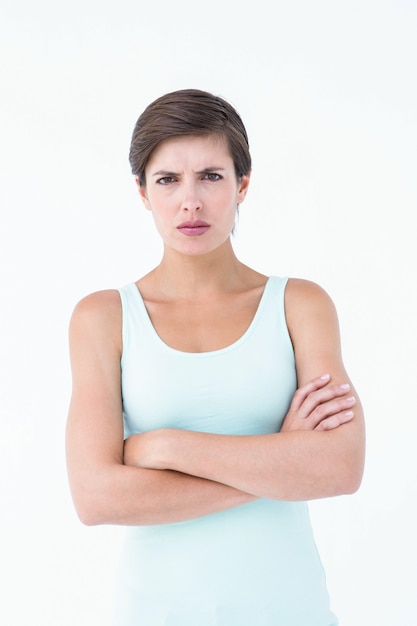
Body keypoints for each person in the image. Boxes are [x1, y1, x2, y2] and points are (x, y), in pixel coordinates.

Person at [66, 88, 365, 625]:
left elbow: (340, 467)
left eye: (211, 176)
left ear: (242, 184)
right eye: (167, 180)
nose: (191, 201)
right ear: (141, 191)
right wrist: (282, 459)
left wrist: (163, 447)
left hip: (290, 611)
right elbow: (96, 497)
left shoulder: (299, 305)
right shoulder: (103, 317)